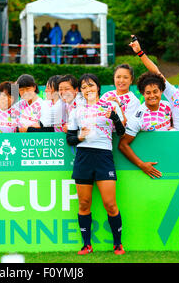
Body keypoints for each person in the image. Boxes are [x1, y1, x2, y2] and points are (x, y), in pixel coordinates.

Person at [66, 73, 126, 255]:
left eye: (90, 86)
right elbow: (70, 139)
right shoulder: (76, 110)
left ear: (98, 87)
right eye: (83, 87)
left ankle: (118, 244)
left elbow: (121, 132)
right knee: (84, 204)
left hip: (104, 157)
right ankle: (87, 245)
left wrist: (115, 117)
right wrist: (80, 137)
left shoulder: (111, 105)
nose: (88, 89)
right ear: (80, 91)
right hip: (83, 157)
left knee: (110, 204)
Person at [118, 72, 173, 179]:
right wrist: (141, 164)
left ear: (161, 91)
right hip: (152, 161)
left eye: (155, 91)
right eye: (148, 93)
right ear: (143, 93)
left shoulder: (167, 106)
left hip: (169, 157)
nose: (152, 96)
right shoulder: (138, 117)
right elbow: (122, 145)